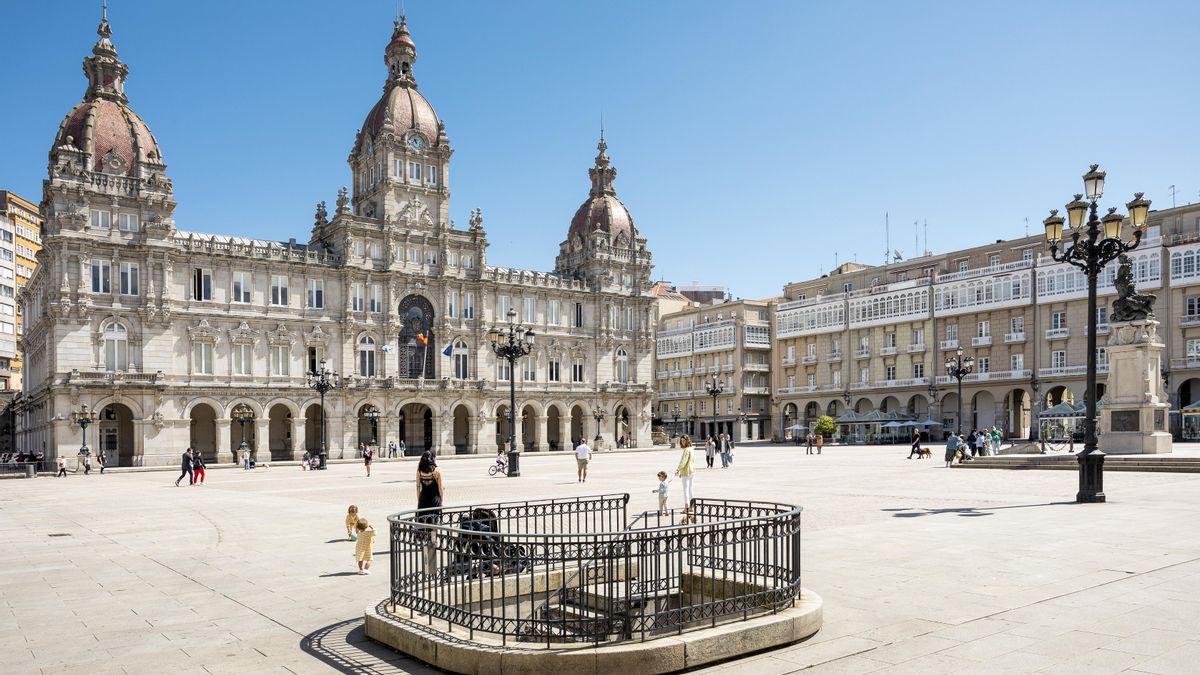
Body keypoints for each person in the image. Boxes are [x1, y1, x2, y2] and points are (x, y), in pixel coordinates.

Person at [675, 434, 695, 510]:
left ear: (687, 440)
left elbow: (683, 461)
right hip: (692, 471)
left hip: (686, 472)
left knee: (685, 490)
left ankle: (686, 507)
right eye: (681, 441)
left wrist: (678, 469)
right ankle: (692, 506)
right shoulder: (691, 448)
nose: (682, 442)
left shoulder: (686, 450)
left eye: (684, 440)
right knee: (690, 489)